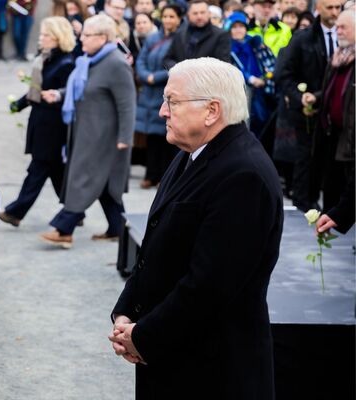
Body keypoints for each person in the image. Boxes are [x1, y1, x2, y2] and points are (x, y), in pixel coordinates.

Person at [109, 57, 283, 400]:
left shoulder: (243, 175)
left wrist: (143, 337)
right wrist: (127, 311)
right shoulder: (192, 152)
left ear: (211, 111)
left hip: (212, 372)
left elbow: (209, 285)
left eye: (172, 101)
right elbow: (157, 247)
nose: (162, 111)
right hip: (173, 357)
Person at [40, 14, 136, 248]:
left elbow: (127, 104)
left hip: (105, 137)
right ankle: (117, 228)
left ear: (103, 38)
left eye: (86, 35)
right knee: (104, 185)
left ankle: (65, 227)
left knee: (83, 179)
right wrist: (60, 94)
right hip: (87, 133)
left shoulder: (116, 63)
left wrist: (125, 137)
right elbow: (85, 88)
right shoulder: (90, 60)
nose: (80, 38)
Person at [0, 17, 76, 227]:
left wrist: (45, 98)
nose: (40, 38)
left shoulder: (66, 63)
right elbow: (36, 90)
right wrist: (19, 104)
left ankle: (15, 212)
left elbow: (66, 97)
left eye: (45, 35)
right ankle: (74, 210)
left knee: (38, 169)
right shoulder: (46, 58)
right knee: (55, 171)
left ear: (58, 37)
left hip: (53, 127)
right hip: (41, 122)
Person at [274, 0, 342, 211]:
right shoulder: (302, 38)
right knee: (307, 156)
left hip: (339, 110)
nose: (334, 12)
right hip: (307, 113)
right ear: (318, 9)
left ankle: (336, 206)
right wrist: (299, 97)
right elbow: (283, 74)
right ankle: (305, 201)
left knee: (335, 160)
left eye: (338, 7)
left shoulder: (348, 36)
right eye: (330, 7)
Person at [305, 8, 354, 213]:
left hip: (351, 140)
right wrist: (316, 98)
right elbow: (330, 91)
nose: (338, 31)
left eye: (343, 27)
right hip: (331, 136)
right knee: (334, 193)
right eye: (337, 27)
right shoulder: (338, 58)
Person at [136, 4, 182, 189]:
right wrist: (145, 74)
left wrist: (156, 76)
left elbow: (178, 63)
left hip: (166, 89)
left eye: (172, 16)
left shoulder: (180, 38)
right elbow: (141, 59)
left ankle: (164, 175)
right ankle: (151, 174)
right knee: (152, 136)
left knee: (167, 136)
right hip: (148, 91)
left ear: (179, 19)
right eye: (165, 16)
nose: (168, 20)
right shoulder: (153, 37)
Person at [228, 10, 277, 137]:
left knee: (262, 120)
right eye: (234, 27)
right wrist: (250, 79)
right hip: (240, 91)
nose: (238, 30)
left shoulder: (255, 43)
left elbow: (269, 62)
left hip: (261, 89)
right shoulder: (227, 47)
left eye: (241, 26)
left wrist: (266, 76)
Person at [163, 0, 232, 68]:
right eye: (195, 13)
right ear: (188, 15)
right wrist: (179, 69)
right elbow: (167, 59)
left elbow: (223, 64)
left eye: (202, 12)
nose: (199, 16)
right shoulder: (180, 34)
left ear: (209, 14)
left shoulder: (221, 35)